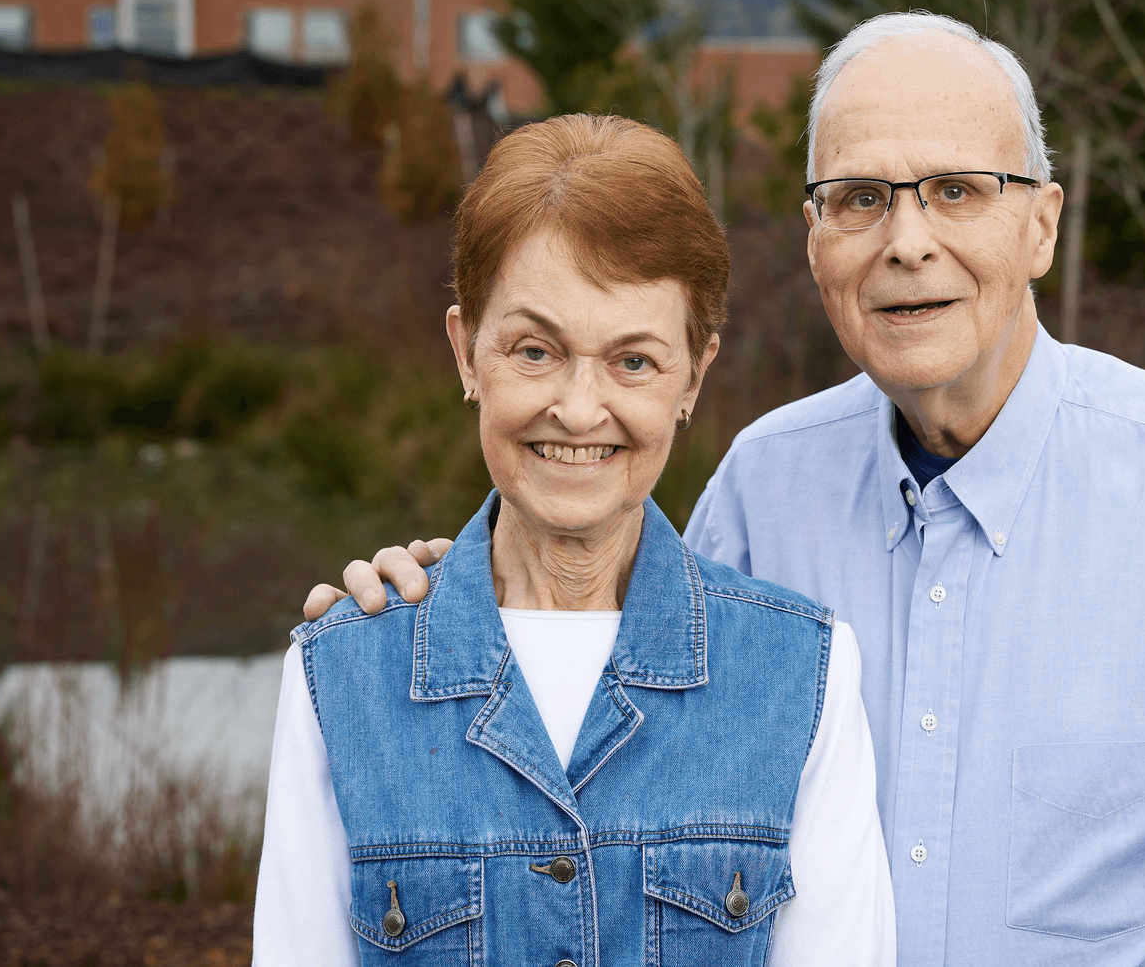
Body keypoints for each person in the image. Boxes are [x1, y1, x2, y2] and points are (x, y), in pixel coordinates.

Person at [311, 14, 1145, 965]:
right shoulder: (760, 487)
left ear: (1040, 221)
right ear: (813, 241)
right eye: (859, 198)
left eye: (955, 190)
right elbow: (610, 761)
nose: (906, 242)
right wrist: (435, 597)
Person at [258, 114, 894, 967]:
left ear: (693, 377)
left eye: (633, 361)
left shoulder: (805, 673)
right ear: (466, 353)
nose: (580, 408)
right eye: (534, 350)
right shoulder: (337, 676)